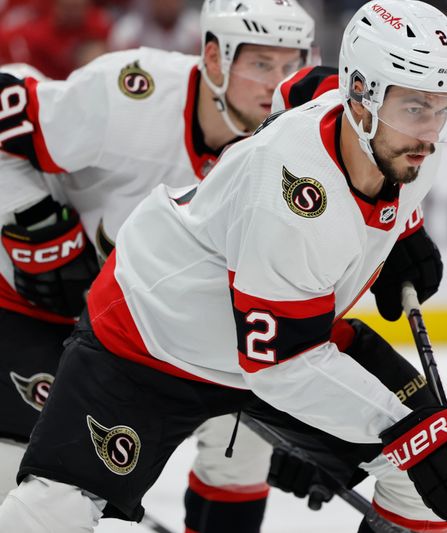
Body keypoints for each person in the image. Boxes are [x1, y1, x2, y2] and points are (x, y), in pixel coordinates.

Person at [0, 1, 447, 532]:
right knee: (54, 508)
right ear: (361, 100)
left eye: (445, 107)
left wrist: (402, 227)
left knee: (419, 474)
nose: (431, 133)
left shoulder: (397, 134)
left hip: (267, 334)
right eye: (415, 108)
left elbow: (302, 87)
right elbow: (279, 365)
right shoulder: (291, 192)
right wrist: (413, 432)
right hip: (152, 338)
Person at [0, 1, 339, 531]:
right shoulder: (132, 95)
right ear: (213, 58)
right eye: (260, 64)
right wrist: (33, 223)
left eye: (290, 65)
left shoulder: (296, 151)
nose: (277, 85)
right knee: (30, 490)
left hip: (143, 325)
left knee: (242, 447)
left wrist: (297, 417)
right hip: (34, 301)